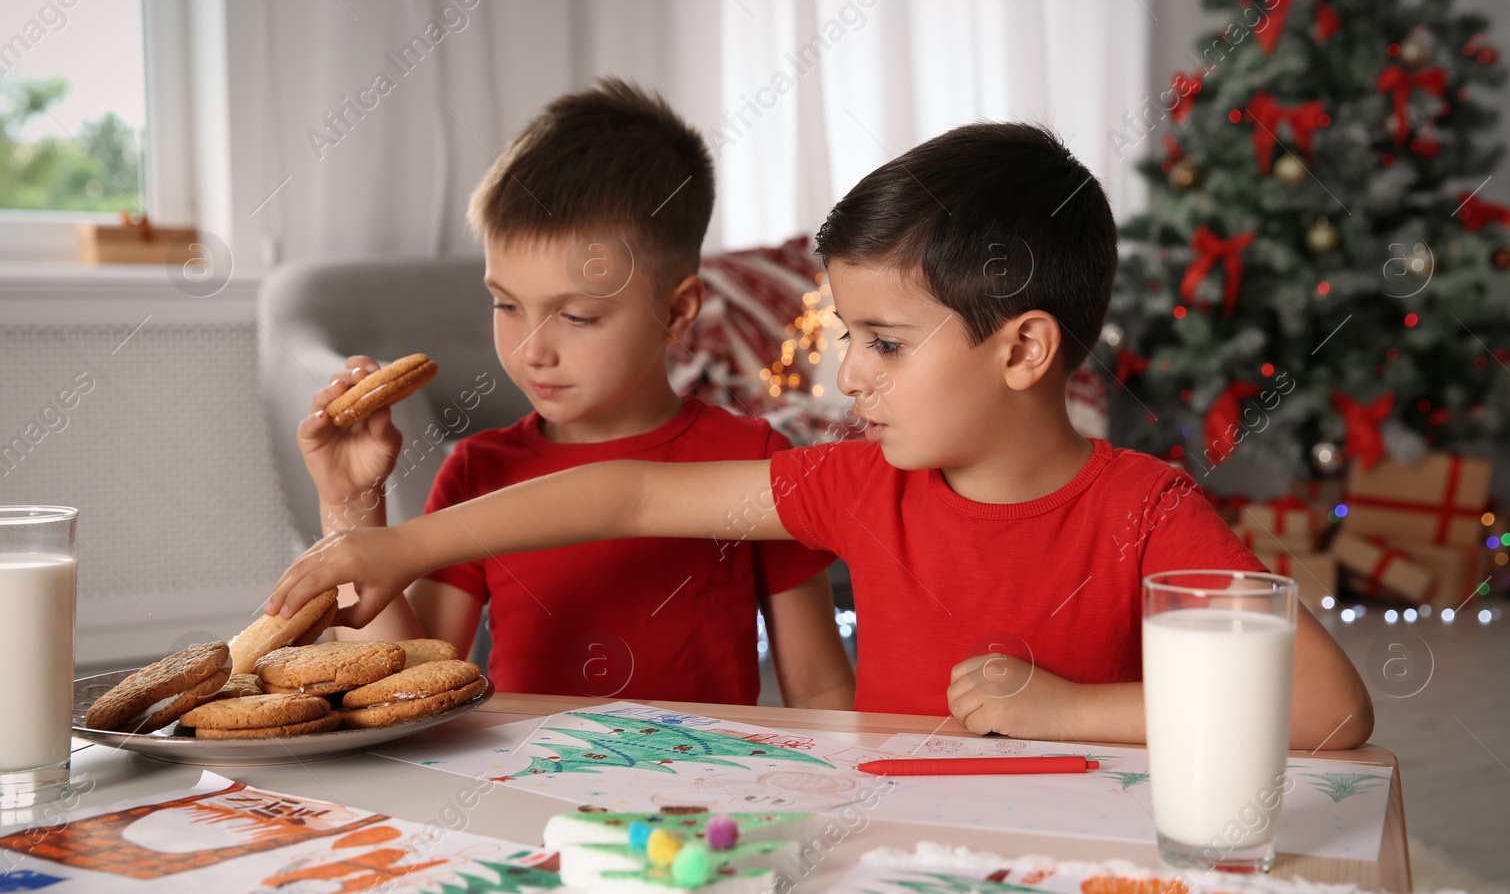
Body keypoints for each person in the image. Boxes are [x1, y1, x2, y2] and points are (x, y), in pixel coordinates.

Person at [272, 120, 1373, 748]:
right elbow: (628, 495)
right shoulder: (853, 484)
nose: (849, 375)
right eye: (852, 335)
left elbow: (1331, 713)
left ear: (1024, 349)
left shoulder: (1145, 507)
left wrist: (1071, 708)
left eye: (885, 343)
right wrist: (396, 543)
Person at [294, 78, 851, 709]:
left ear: (680, 309)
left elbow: (821, 688)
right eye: (505, 304)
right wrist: (350, 502)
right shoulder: (480, 471)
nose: (533, 350)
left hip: (697, 799)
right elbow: (392, 695)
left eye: (577, 317)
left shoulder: (752, 460)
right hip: (521, 798)